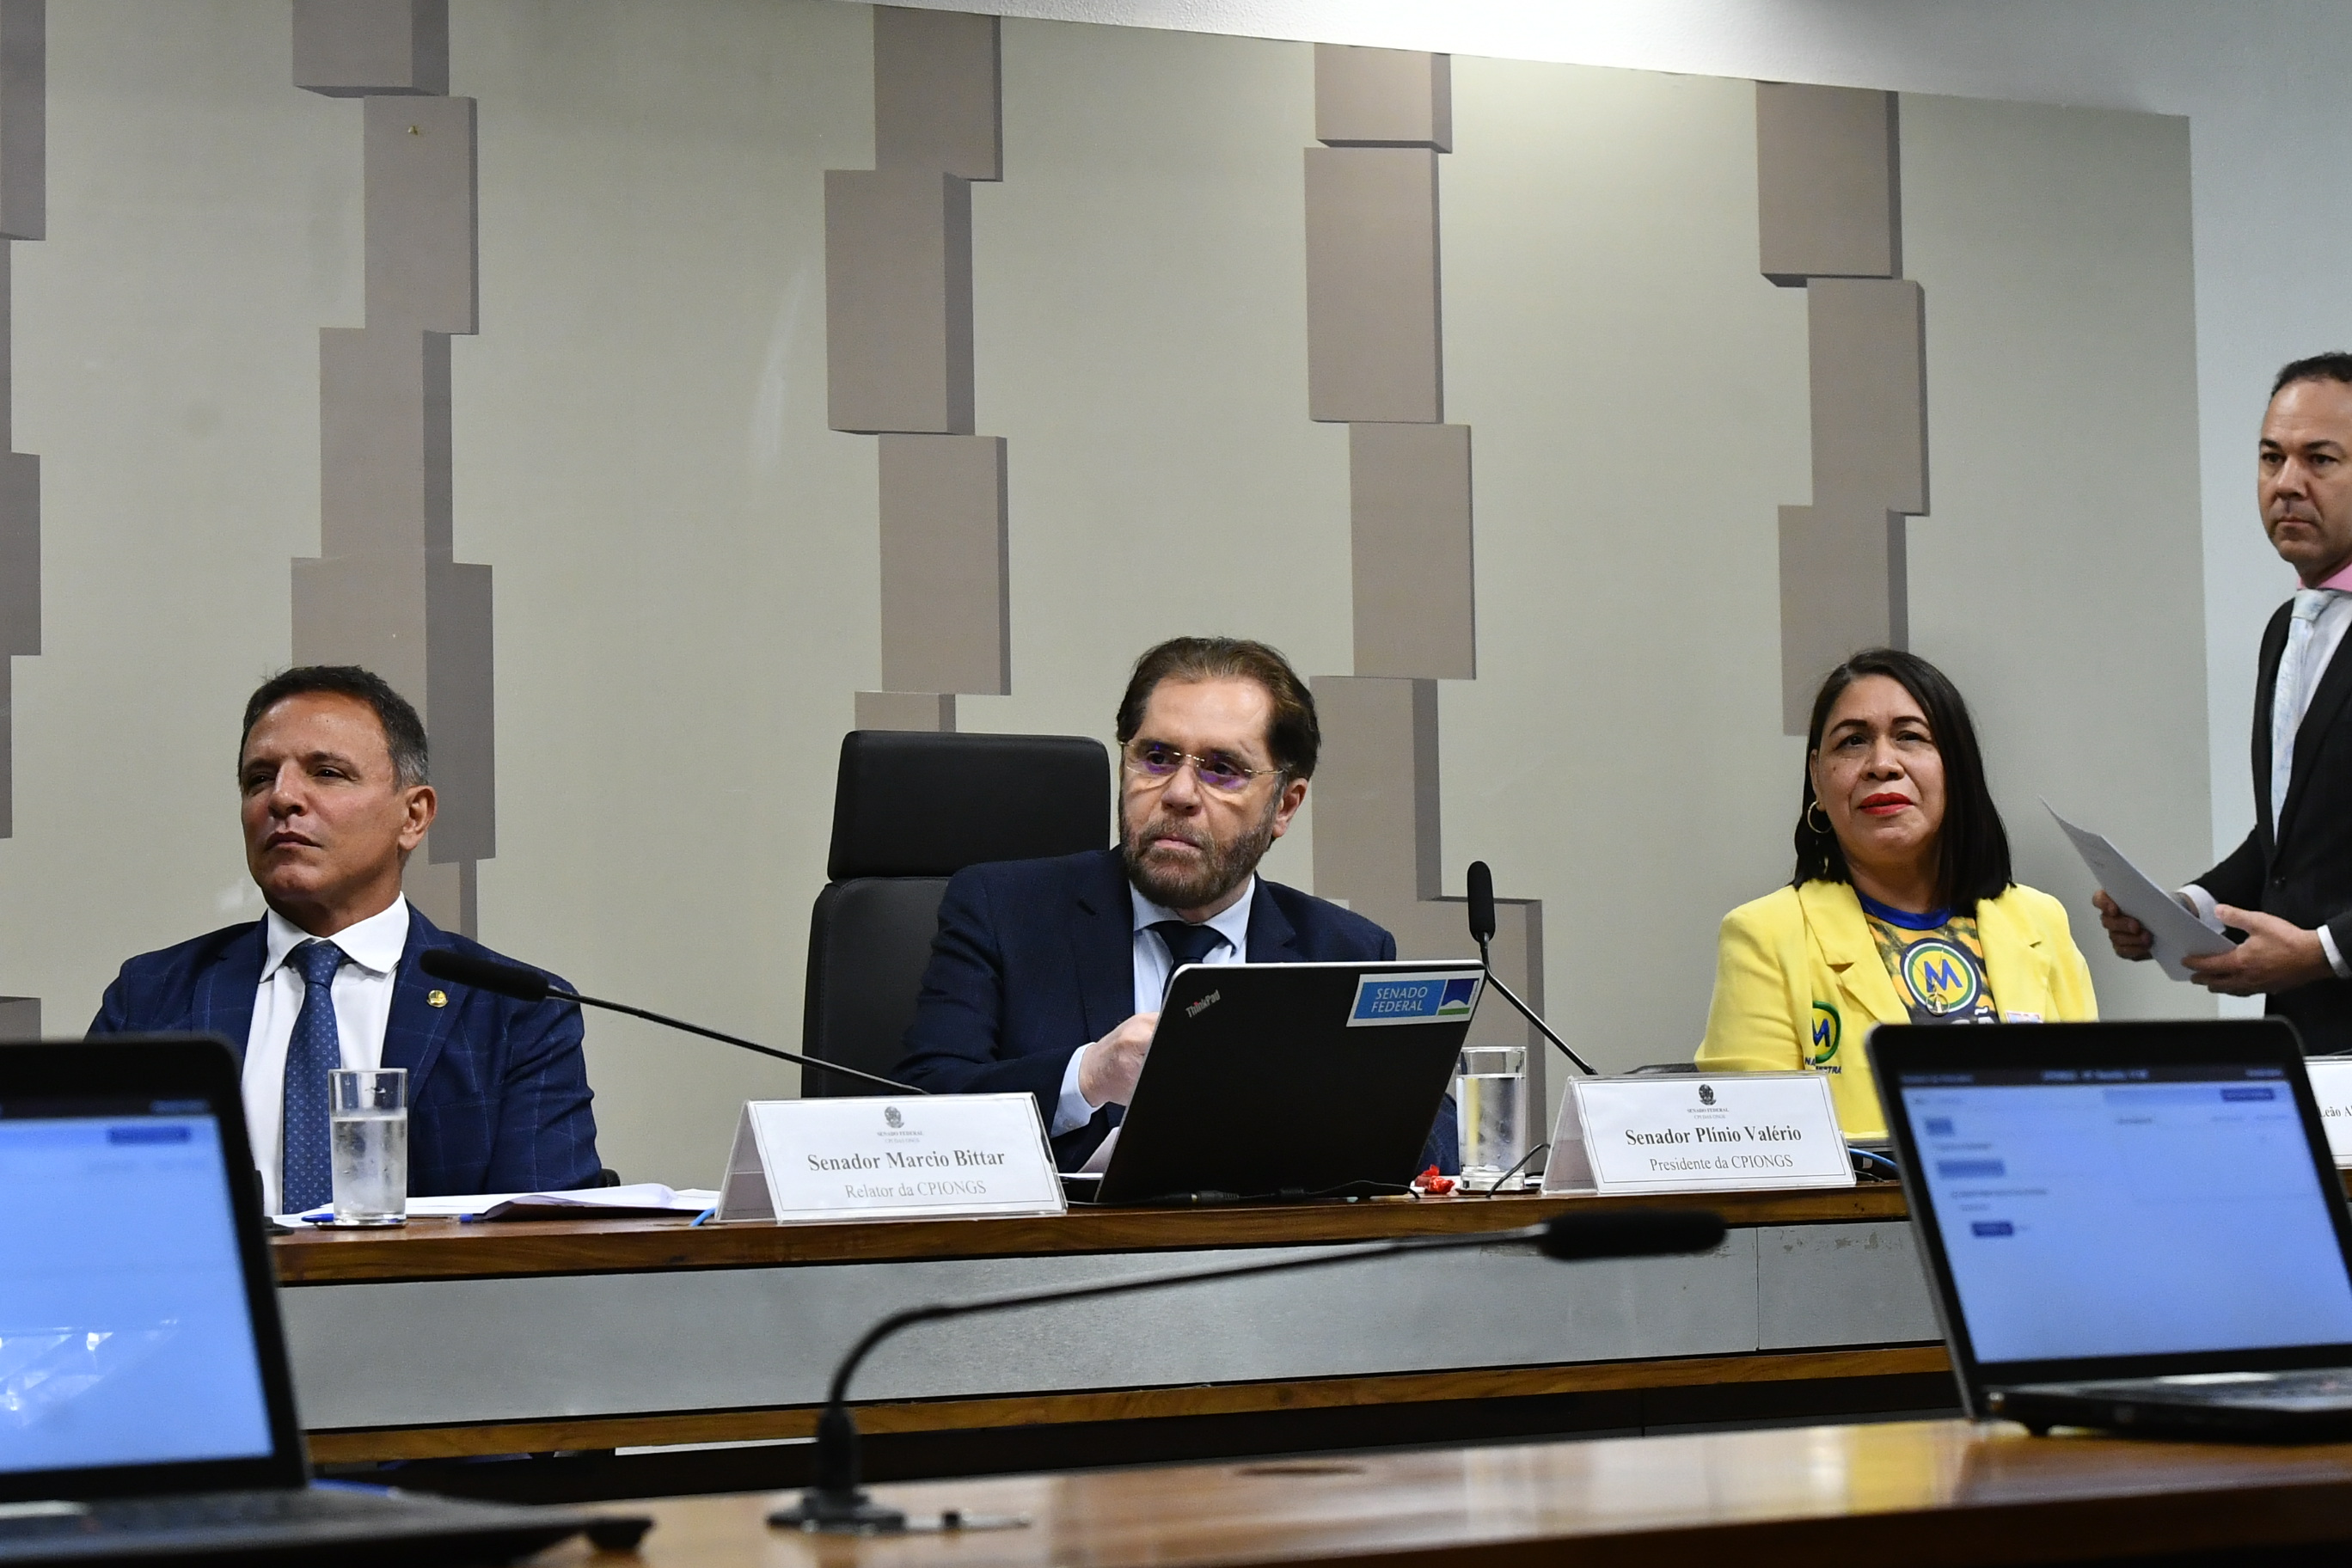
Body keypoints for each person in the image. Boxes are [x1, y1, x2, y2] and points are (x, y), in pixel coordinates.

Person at [897, 635, 1456, 1175]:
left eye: (1222, 769)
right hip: (1059, 1262)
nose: (1180, 794)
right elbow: (917, 1114)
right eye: (1157, 757)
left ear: (1285, 806)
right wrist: (1088, 1075)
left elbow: (1435, 1155)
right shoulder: (1004, 911)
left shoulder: (1344, 951)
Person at [90, 666, 598, 1211]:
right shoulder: (150, 996)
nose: (282, 798)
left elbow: (547, 1245)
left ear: (413, 815)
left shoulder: (516, 1011)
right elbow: (83, 1205)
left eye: (327, 773)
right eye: (259, 778)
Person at [1695, 648, 2097, 1137]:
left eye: (1910, 737)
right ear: (1818, 777)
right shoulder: (1764, 935)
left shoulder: (2040, 920)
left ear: (1957, 768)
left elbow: (2091, 1115)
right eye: (1853, 742)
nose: (1881, 764)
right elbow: (1756, 1150)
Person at [2098, 355, 2352, 1051]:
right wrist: (2186, 910)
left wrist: (2324, 951)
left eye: (2320, 460)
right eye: (2272, 459)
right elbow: (2292, 850)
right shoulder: (2289, 629)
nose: (2287, 484)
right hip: (2311, 1049)